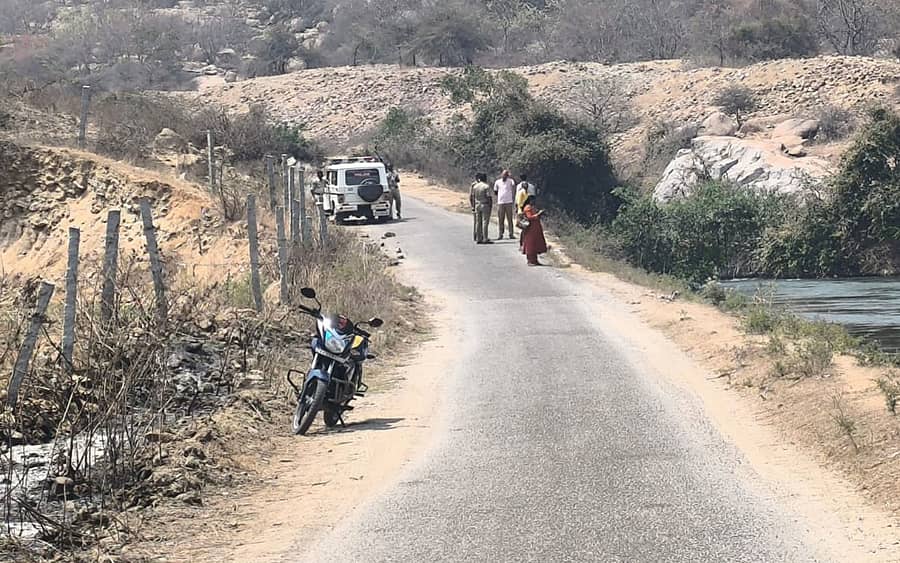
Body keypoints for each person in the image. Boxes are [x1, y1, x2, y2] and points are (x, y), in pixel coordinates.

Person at [521, 195, 548, 266]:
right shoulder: (528, 207)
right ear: (530, 201)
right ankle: (530, 260)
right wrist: (538, 214)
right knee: (530, 244)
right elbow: (529, 217)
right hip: (530, 229)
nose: (535, 202)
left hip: (536, 228)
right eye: (533, 200)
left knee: (535, 244)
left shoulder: (533, 207)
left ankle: (535, 260)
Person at [469, 173, 493, 244]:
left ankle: (478, 238)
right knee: (485, 222)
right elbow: (488, 197)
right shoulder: (486, 186)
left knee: (478, 222)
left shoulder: (475, 186)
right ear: (485, 179)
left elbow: (472, 196)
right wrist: (490, 205)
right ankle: (485, 238)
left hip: (477, 204)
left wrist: (473, 206)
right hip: (485, 204)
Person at [493, 169, 516, 240]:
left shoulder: (511, 181)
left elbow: (513, 187)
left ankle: (511, 233)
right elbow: (495, 191)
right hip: (501, 202)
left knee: (510, 219)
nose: (504, 176)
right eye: (503, 174)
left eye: (505, 175)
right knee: (501, 219)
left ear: (507, 175)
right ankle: (500, 234)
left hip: (509, 202)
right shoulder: (497, 182)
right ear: (501, 175)